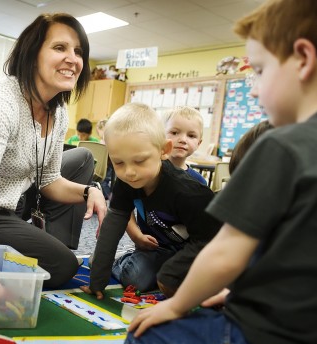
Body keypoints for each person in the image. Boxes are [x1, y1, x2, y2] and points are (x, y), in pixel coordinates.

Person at [124, 1, 317, 344]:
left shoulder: (280, 146)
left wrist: (173, 306)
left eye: (258, 71)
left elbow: (225, 253)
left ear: (303, 59)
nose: (253, 88)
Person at [0, 13, 107, 288]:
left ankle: (49, 242)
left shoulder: (57, 111)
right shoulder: (0, 101)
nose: (73, 59)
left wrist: (89, 190)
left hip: (13, 200)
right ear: (33, 54)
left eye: (78, 51)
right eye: (60, 48)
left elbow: (49, 181)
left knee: (81, 159)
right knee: (61, 266)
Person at [80, 103, 221, 299]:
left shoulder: (190, 192)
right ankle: (127, 262)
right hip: (157, 250)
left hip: (200, 251)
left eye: (139, 161)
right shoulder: (126, 181)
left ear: (164, 150)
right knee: (133, 277)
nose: (129, 172)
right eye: (119, 162)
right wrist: (97, 281)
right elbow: (112, 227)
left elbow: (212, 242)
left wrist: (173, 271)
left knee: (179, 281)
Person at [125, 106, 207, 250]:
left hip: (181, 251)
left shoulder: (198, 182)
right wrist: (136, 236)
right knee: (142, 272)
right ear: (160, 135)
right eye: (174, 132)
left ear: (199, 143)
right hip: (148, 249)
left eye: (191, 136)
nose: (182, 139)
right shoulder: (146, 172)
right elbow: (123, 207)